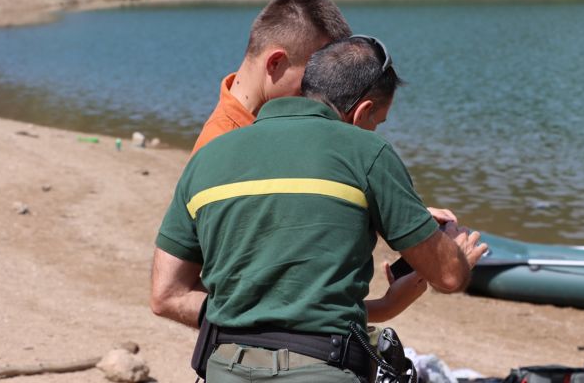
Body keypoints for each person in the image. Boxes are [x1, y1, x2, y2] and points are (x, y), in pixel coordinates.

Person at [150, 35, 488, 382]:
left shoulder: (208, 156)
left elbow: (166, 295)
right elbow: (448, 276)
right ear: (363, 111)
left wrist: (384, 307)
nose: (377, 131)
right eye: (379, 121)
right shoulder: (366, 150)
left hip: (225, 369)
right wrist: (455, 254)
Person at [190, 0, 352, 155]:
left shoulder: (275, 121)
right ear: (275, 63)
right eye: (314, 77)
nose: (321, 92)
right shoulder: (219, 147)